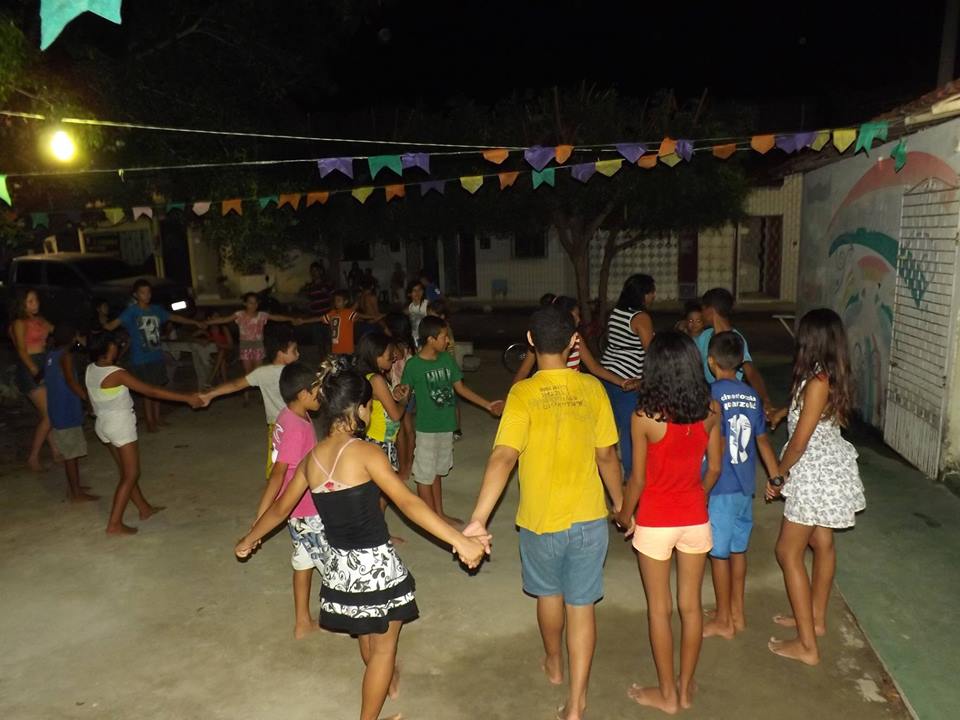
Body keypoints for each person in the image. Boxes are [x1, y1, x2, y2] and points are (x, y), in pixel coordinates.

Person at [234, 363, 486, 720]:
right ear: (358, 409)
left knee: (368, 636)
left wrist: (249, 539)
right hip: (375, 568)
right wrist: (459, 541)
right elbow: (408, 503)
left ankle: (385, 683)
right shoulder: (367, 453)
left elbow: (279, 510)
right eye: (368, 405)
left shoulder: (310, 460)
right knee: (384, 650)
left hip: (340, 571)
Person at [464, 305, 623, 720]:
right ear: (574, 341)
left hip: (539, 521)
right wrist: (621, 502)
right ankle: (577, 703)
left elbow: (503, 457)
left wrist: (478, 519)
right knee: (582, 606)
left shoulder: (523, 394)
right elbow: (607, 456)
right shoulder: (593, 388)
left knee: (549, 595)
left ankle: (554, 663)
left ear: (531, 342)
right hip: (588, 518)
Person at [614, 331, 723, 714]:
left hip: (656, 520)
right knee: (691, 607)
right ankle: (686, 687)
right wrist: (696, 496)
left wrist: (623, 515)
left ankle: (666, 694)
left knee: (659, 609)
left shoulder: (644, 417)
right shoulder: (711, 411)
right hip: (695, 519)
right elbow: (715, 468)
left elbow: (637, 480)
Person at [765, 308, 865, 666]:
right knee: (822, 543)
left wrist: (778, 475)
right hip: (826, 468)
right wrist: (783, 411)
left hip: (814, 473)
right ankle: (816, 620)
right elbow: (808, 415)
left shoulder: (818, 381)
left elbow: (799, 443)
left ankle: (807, 646)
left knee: (787, 552)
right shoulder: (822, 375)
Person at [701, 331, 780, 640]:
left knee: (718, 554)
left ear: (711, 361)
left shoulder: (710, 395)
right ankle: (736, 612)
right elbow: (763, 440)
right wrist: (774, 476)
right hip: (745, 486)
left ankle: (723, 620)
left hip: (721, 486)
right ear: (739, 362)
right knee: (737, 549)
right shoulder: (751, 395)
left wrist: (702, 485)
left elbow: (717, 444)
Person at [85, 332, 204, 535]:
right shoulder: (116, 373)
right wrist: (186, 398)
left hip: (102, 424)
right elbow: (151, 391)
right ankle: (114, 523)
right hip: (119, 425)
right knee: (131, 474)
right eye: (114, 346)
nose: (117, 348)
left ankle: (144, 509)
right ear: (106, 351)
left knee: (126, 472)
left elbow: (90, 398)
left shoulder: (90, 369)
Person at [401, 316, 504, 526]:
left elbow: (461, 389)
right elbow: (404, 395)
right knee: (424, 475)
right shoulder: (414, 365)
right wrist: (398, 393)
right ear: (431, 339)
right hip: (427, 429)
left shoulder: (446, 360)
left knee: (437, 471)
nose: (447, 341)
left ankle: (439, 514)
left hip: (445, 426)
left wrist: (487, 405)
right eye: (444, 337)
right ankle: (430, 521)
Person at [253, 362, 325, 640]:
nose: (321, 394)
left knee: (303, 561)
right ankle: (345, 619)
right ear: (303, 393)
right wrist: (260, 521)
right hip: (307, 509)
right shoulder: (297, 427)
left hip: (298, 510)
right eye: (317, 389)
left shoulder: (287, 415)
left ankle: (302, 622)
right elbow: (278, 474)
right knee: (332, 565)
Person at [101, 279, 205, 432]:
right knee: (147, 392)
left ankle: (157, 418)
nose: (147, 295)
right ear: (136, 295)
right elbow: (112, 326)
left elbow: (174, 317)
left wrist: (194, 323)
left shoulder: (156, 310)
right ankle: (150, 422)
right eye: (143, 292)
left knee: (158, 389)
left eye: (148, 292)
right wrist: (100, 321)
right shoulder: (131, 311)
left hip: (156, 355)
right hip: (141, 358)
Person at [200, 327, 300, 479]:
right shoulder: (294, 373)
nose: (298, 354)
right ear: (281, 353)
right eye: (294, 351)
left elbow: (236, 385)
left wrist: (210, 394)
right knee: (289, 462)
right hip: (291, 424)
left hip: (279, 426)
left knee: (279, 463)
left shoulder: (265, 373)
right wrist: (209, 394)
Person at [511, 295, 636, 389]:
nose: (579, 319)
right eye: (576, 315)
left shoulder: (576, 338)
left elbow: (594, 367)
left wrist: (621, 381)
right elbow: (523, 371)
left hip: (572, 391)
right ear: (566, 316)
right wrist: (510, 399)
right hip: (549, 391)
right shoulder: (543, 338)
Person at [600, 274, 656, 480]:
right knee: (630, 428)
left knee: (608, 427)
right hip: (628, 381)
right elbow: (650, 351)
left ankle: (605, 470)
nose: (654, 296)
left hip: (608, 375)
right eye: (651, 291)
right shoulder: (641, 317)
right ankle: (632, 476)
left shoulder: (615, 312)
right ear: (643, 294)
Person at [696, 287, 778, 419]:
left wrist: (765, 401)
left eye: (702, 309)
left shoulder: (735, 340)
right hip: (709, 399)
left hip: (730, 401)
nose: (701, 314)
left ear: (710, 310)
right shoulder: (704, 336)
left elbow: (751, 372)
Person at [206, 293, 297, 402]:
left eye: (255, 303)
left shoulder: (262, 315)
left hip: (258, 346)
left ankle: (263, 396)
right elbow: (224, 320)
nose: (253, 305)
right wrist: (208, 322)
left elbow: (277, 317)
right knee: (248, 373)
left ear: (258, 304)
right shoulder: (239, 315)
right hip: (245, 347)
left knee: (259, 372)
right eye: (250, 302)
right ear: (245, 303)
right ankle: (246, 396)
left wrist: (291, 318)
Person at [44, 324, 98, 503]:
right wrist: (88, 400)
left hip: (57, 408)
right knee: (72, 454)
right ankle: (76, 493)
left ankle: (74, 487)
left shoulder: (51, 355)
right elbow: (71, 381)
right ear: (72, 338)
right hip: (66, 410)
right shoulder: (65, 356)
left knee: (70, 452)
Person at [10, 288, 58, 470]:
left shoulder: (40, 320)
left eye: (36, 300)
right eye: (30, 301)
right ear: (22, 304)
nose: (35, 304)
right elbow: (21, 350)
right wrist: (33, 369)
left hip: (44, 363)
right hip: (30, 367)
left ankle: (55, 451)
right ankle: (33, 456)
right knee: (49, 415)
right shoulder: (19, 323)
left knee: (48, 414)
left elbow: (57, 331)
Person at [384, 312, 417, 482]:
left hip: (401, 392)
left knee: (401, 431)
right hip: (409, 391)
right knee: (407, 428)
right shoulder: (410, 345)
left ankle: (404, 467)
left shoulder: (395, 348)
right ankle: (408, 464)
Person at [299, 290, 381, 356]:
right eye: (335, 301)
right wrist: (303, 321)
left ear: (345, 302)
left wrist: (374, 317)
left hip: (347, 348)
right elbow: (319, 319)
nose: (336, 303)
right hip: (336, 348)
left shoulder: (348, 313)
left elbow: (362, 316)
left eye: (339, 300)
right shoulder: (332, 313)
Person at [303, 261, 334, 356]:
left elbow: (334, 299)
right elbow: (308, 301)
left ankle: (332, 361)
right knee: (320, 344)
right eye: (311, 271)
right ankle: (323, 362)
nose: (313, 273)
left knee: (331, 342)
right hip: (315, 319)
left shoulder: (327, 284)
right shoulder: (310, 286)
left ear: (320, 271)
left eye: (315, 270)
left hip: (327, 318)